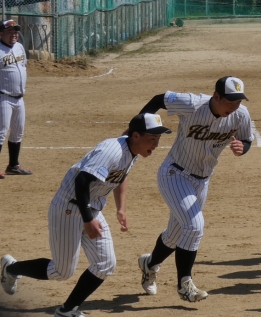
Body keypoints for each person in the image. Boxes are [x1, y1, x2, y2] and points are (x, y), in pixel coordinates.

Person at [0, 113, 170, 317]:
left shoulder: (132, 151)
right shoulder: (112, 151)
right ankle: (11, 268)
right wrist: (88, 219)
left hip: (91, 208)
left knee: (105, 264)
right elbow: (81, 181)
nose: (156, 144)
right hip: (68, 208)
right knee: (61, 272)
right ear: (136, 135)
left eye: (158, 139)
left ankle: (67, 311)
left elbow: (120, 176)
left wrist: (121, 209)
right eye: (152, 139)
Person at [136, 77, 254, 302]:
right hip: (174, 174)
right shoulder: (192, 104)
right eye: (230, 101)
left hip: (202, 181)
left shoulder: (241, 114)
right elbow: (159, 99)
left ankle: (149, 264)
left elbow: (246, 139)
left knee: (175, 235)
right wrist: (139, 128)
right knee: (194, 226)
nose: (234, 106)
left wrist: (243, 147)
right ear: (216, 96)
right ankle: (185, 285)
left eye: (238, 101)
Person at [0, 19, 31, 178]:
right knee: (1, 133)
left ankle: (13, 165)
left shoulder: (19, 47)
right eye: (10, 31)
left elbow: (23, 66)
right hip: (3, 98)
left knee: (18, 132)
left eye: (15, 31)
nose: (14, 34)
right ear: (1, 34)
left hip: (19, 98)